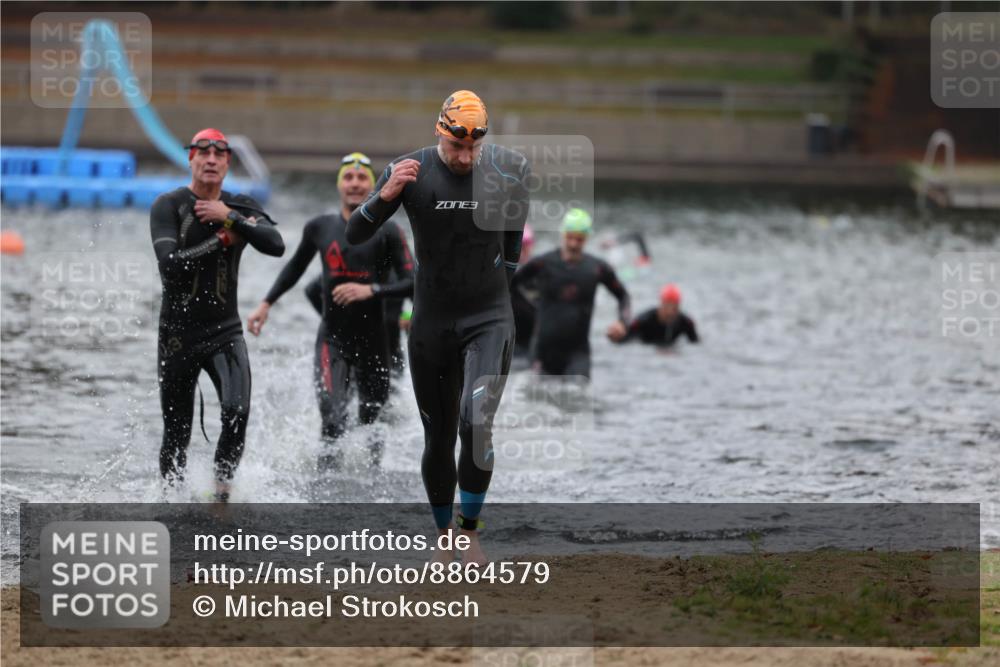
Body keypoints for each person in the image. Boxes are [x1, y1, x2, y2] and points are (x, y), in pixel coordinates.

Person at [346, 90, 529, 566]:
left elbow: (512, 247)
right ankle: (444, 534)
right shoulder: (408, 170)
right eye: (456, 147)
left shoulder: (509, 173)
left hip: (488, 317)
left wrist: (498, 301)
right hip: (431, 322)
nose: (465, 157)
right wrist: (385, 196)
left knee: (476, 423)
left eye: (473, 148)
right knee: (440, 436)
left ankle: (470, 533)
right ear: (438, 132)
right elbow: (355, 235)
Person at [246, 152, 414, 469]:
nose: (354, 183)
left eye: (362, 178)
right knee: (333, 419)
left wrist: (372, 290)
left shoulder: (389, 231)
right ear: (339, 185)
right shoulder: (319, 227)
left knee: (372, 427)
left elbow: (413, 282)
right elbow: (295, 268)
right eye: (348, 177)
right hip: (332, 341)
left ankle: (370, 487)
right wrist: (266, 303)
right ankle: (324, 485)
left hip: (376, 344)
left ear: (373, 186)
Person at [151, 128, 284, 502]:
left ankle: (221, 495)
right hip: (177, 336)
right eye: (203, 153)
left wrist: (231, 218)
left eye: (219, 154)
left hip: (224, 331)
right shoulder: (169, 205)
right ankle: (171, 500)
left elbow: (276, 245)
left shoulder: (239, 206)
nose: (210, 160)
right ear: (190, 159)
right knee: (177, 431)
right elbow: (170, 267)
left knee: (237, 411)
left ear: (227, 163)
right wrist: (222, 239)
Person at [511, 208, 630, 380]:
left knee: (578, 393)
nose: (574, 244)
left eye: (579, 239)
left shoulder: (597, 268)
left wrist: (622, 323)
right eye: (570, 237)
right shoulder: (543, 263)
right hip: (542, 353)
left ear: (587, 238)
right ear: (563, 234)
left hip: (577, 355)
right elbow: (507, 285)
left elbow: (623, 296)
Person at [607, 283, 699, 348]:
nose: (670, 312)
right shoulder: (644, 320)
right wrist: (615, 337)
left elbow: (696, 344)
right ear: (661, 304)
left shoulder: (686, 323)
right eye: (667, 306)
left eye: (674, 308)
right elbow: (622, 340)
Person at [511, 223, 537, 364]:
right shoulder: (502, 275)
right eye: (519, 247)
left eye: (525, 246)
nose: (521, 252)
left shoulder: (540, 273)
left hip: (532, 344)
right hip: (511, 342)